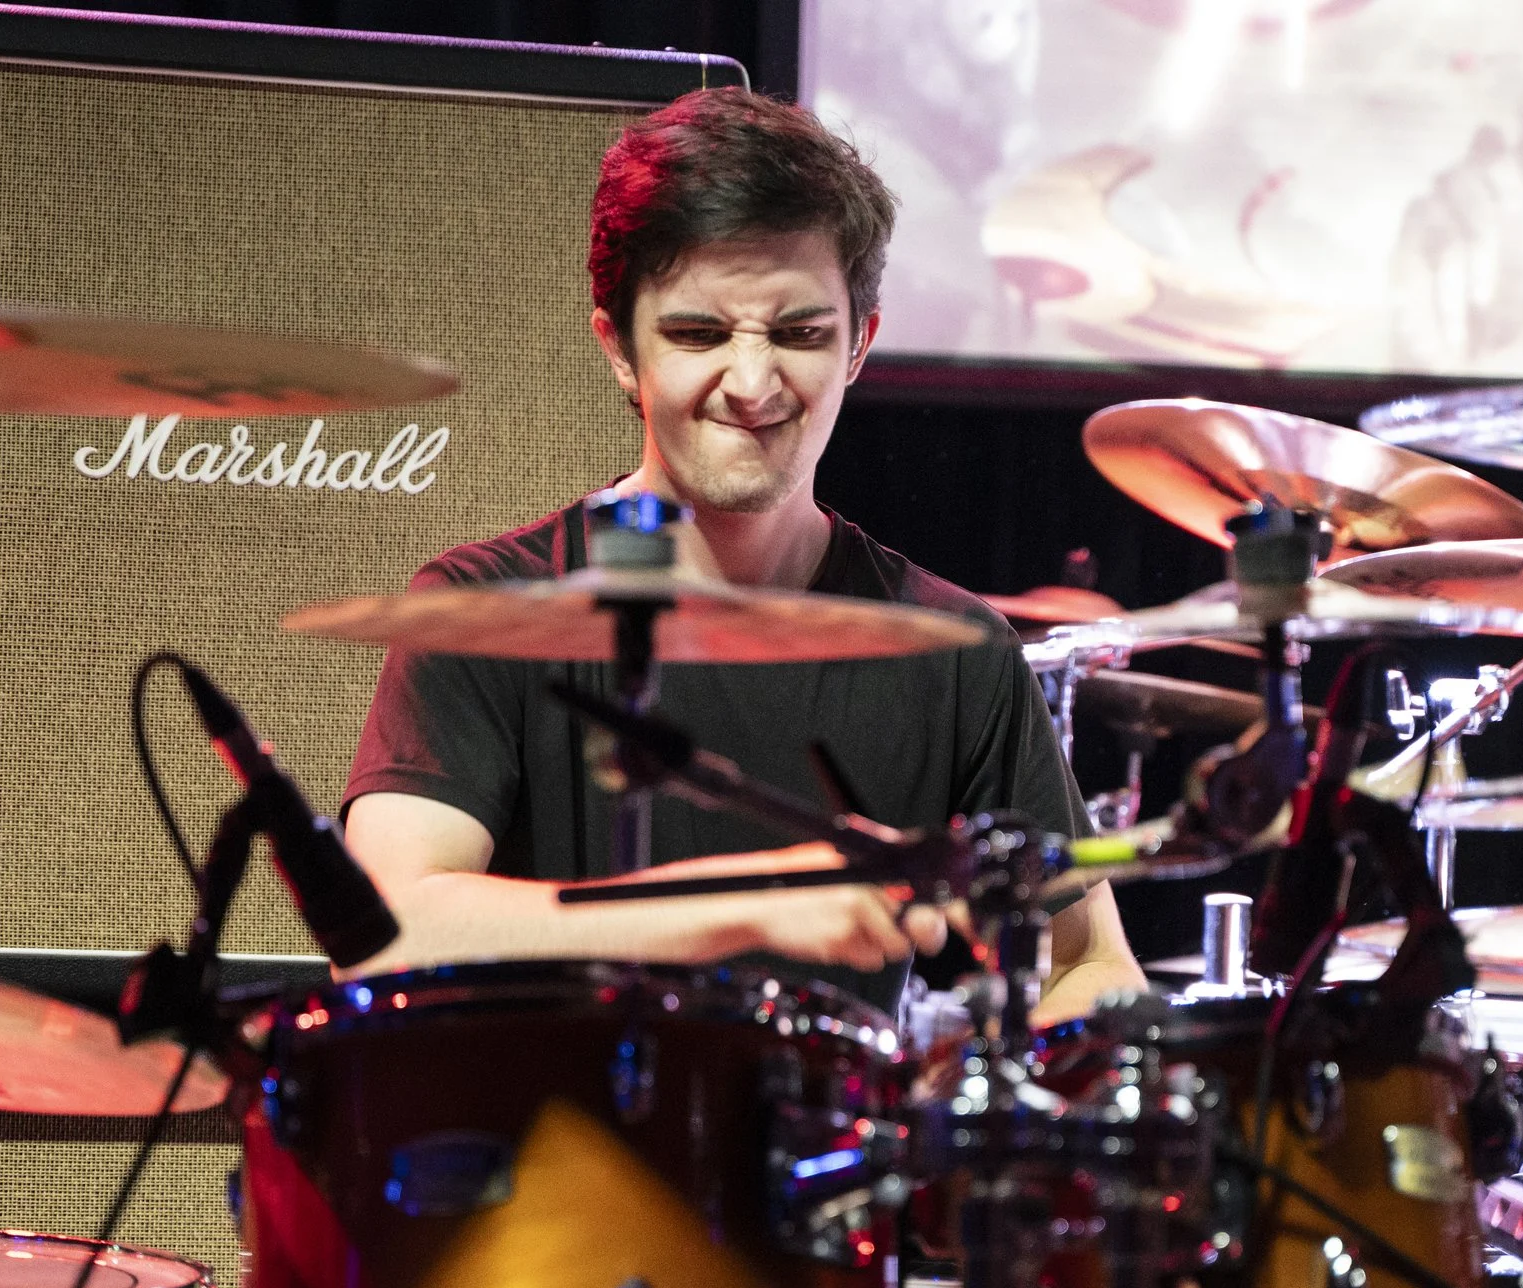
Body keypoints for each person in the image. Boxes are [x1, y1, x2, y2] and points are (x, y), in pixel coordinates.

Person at [342, 85, 1140, 1023]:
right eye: (699, 333)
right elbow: (382, 931)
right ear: (618, 348)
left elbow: (1091, 967)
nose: (753, 383)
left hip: (832, 1169)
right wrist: (740, 907)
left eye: (800, 334)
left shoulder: (953, 650)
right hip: (545, 1156)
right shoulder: (483, 609)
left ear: (859, 346)